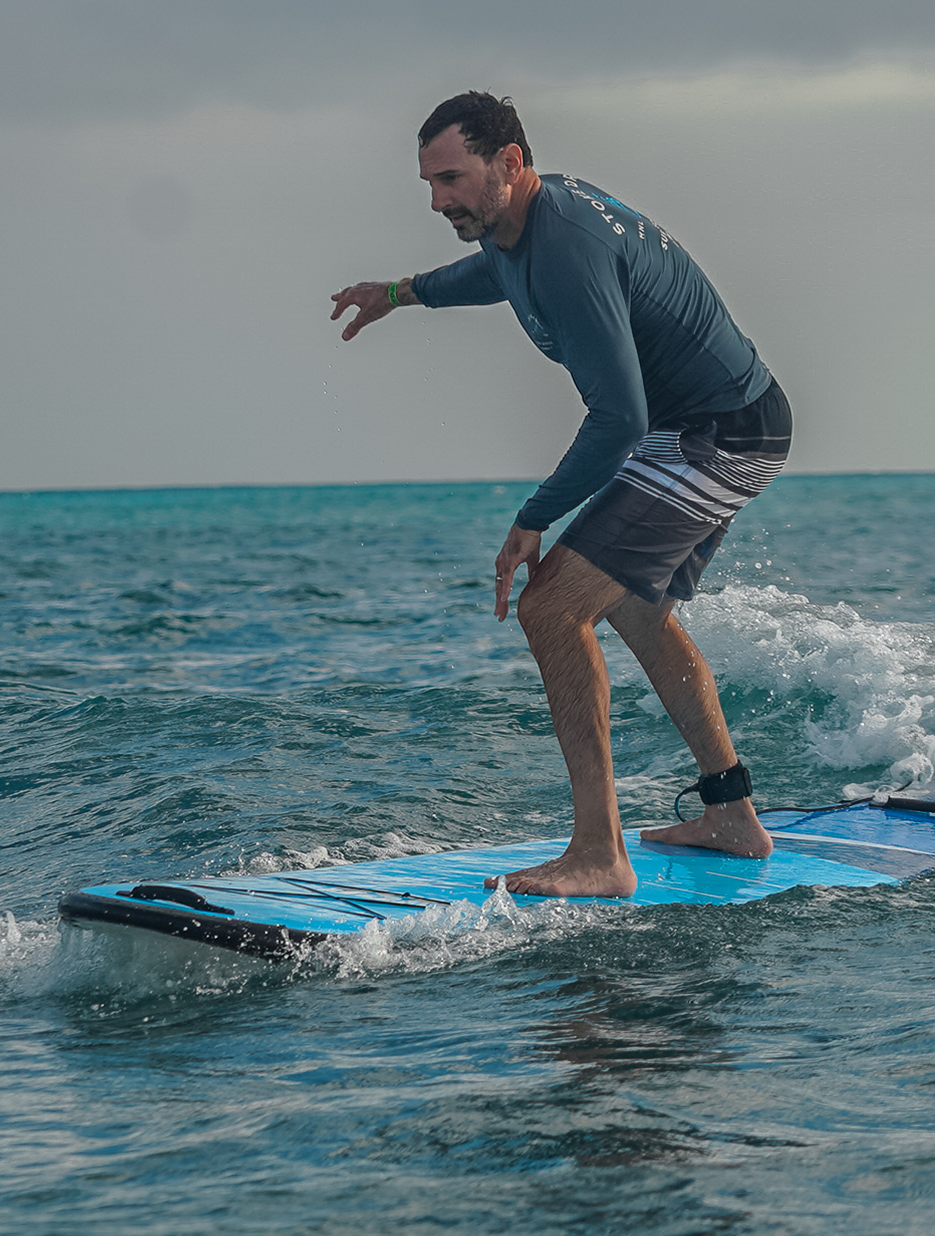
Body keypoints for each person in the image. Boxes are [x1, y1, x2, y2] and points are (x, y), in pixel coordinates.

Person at [329, 90, 792, 898]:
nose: (439, 200)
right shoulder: (516, 225)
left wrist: (532, 520)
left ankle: (599, 855)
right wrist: (399, 294)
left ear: (510, 162)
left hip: (717, 430)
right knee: (633, 607)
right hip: (705, 424)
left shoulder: (570, 246)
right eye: (429, 185)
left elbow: (618, 419)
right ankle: (731, 815)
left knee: (552, 606)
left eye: (452, 179)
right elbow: (495, 273)